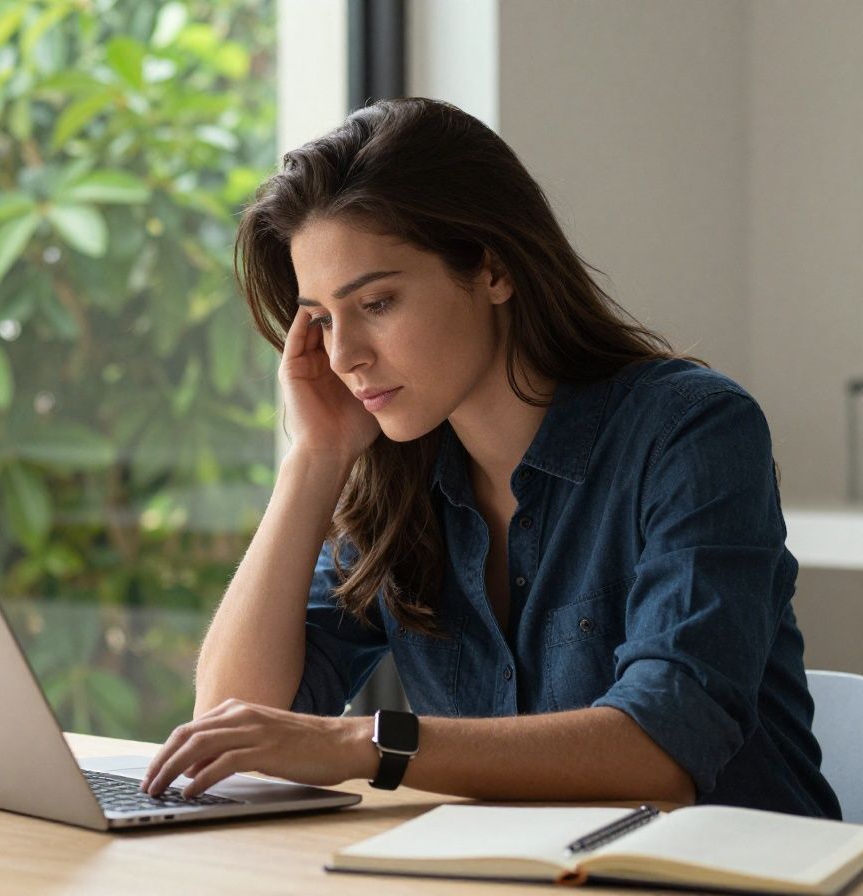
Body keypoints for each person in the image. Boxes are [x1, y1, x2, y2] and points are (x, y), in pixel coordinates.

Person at [139, 97, 840, 818]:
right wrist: (315, 458)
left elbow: (662, 753)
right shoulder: (396, 483)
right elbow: (231, 729)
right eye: (319, 319)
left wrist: (368, 745)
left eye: (375, 303)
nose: (343, 356)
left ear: (494, 270)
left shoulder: (691, 433)